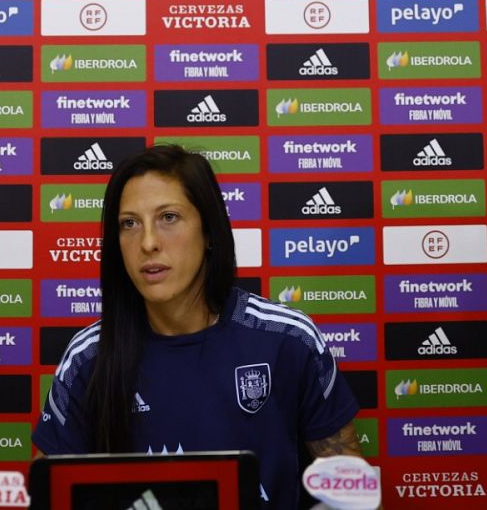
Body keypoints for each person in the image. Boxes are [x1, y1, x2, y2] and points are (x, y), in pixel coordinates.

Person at [33, 144, 359, 509]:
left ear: (209, 233)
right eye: (129, 223)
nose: (149, 243)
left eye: (168, 217)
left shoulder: (288, 339)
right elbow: (49, 497)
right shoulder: (88, 357)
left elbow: (350, 497)